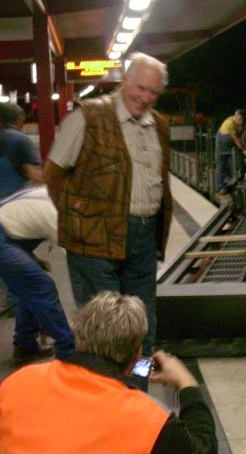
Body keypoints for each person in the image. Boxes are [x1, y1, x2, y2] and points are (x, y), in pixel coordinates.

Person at [43, 52, 173, 359]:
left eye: (153, 92)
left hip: (144, 238)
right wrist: (77, 222)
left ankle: (138, 388)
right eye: (140, 87)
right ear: (124, 79)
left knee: (144, 326)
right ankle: (106, 399)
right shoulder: (87, 116)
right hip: (94, 244)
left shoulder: (160, 125)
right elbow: (53, 174)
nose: (145, 97)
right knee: (102, 329)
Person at [0, 290, 217, 454]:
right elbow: (204, 448)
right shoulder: (149, 421)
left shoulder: (17, 382)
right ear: (135, 357)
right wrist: (187, 385)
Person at [0, 185, 75, 363]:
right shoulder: (56, 213)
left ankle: (25, 346)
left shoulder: (52, 192)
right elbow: (76, 259)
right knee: (42, 286)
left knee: (29, 287)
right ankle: (68, 349)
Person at [215, 109, 246, 194]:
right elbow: (236, 140)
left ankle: (233, 185)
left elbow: (245, 134)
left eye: (243, 120)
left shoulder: (242, 123)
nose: (241, 121)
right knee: (221, 165)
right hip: (222, 144)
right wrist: (244, 150)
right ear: (235, 117)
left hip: (231, 145)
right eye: (239, 119)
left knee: (233, 164)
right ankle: (222, 186)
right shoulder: (230, 123)